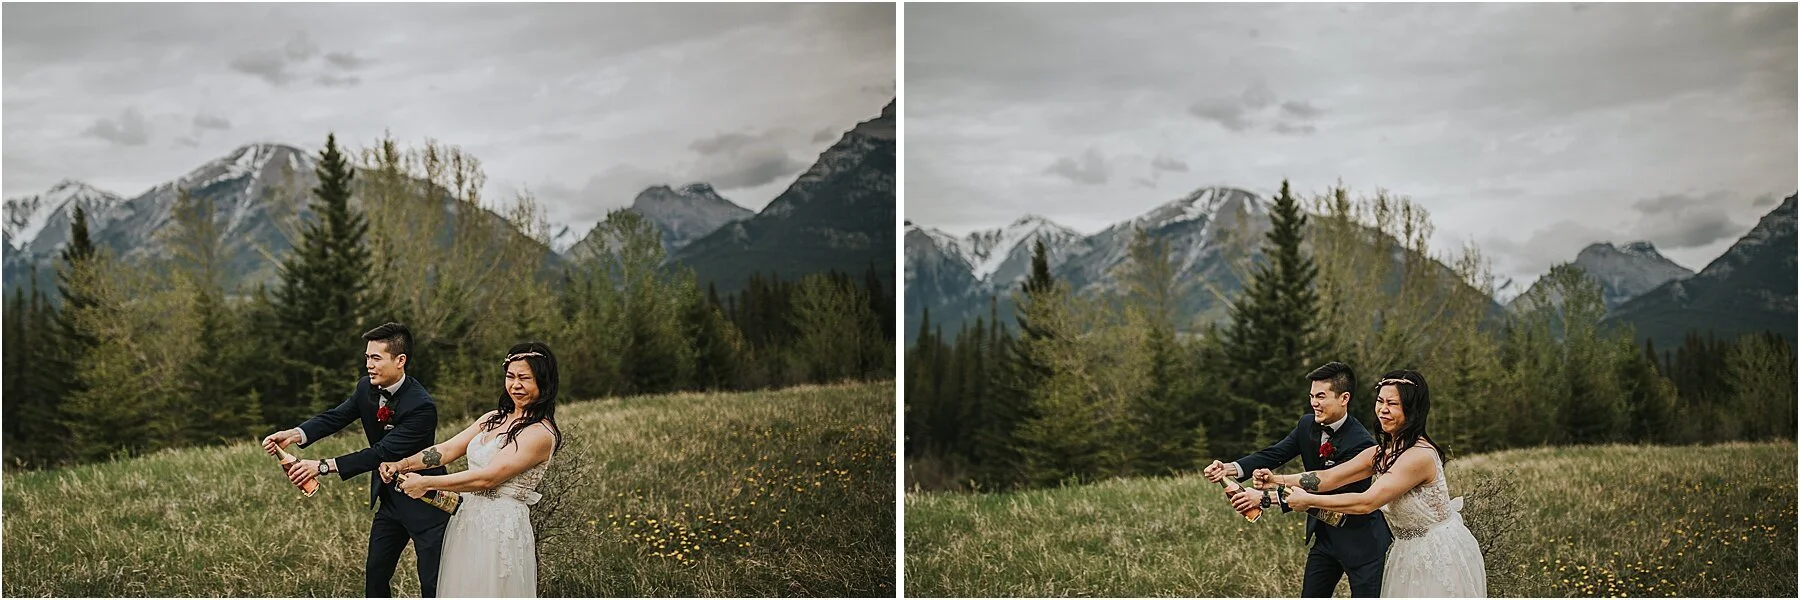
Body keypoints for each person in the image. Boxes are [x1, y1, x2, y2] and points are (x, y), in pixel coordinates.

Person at [1240, 369, 1487, 597]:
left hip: (1437, 551)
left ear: (1412, 411)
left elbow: (1366, 502)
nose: (1382, 410)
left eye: (1392, 404)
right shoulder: (1383, 451)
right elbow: (1330, 477)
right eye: (1380, 401)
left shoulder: (1417, 456)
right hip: (1406, 549)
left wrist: (1308, 501)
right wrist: (1276, 479)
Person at [262, 322, 451, 597]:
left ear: (400, 360)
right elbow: (336, 416)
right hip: (389, 501)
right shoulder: (366, 388)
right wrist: (294, 434)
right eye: (367, 358)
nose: (369, 365)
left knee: (432, 585)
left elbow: (379, 453)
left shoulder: (422, 406)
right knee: (375, 576)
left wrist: (321, 466)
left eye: (376, 358)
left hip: (425, 503)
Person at [379, 341, 563, 598]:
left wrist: (426, 484)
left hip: (501, 527)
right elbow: (447, 450)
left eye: (525, 378)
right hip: (467, 520)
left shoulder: (540, 433)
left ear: (544, 382)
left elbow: (488, 478)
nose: (515, 385)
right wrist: (403, 463)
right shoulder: (493, 418)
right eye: (510, 376)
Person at [1204, 361, 1392, 597]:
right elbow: (1274, 453)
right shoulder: (1307, 425)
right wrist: (1229, 468)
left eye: (1321, 396)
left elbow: (1326, 493)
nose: (1314, 402)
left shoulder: (1362, 444)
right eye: (1312, 396)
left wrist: (1263, 498)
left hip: (1362, 543)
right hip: (1325, 538)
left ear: (1344, 398)